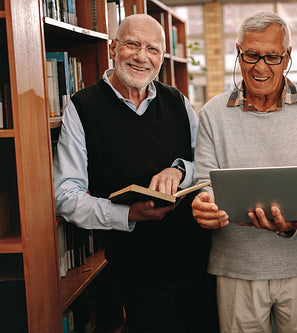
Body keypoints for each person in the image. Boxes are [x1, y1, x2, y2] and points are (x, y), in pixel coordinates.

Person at [54, 14, 218, 333]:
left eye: (152, 49)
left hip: (199, 256)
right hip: (138, 268)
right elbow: (66, 195)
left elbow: (207, 164)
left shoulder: (177, 100)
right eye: (132, 44)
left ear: (162, 57)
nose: (142, 57)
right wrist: (127, 214)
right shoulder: (82, 107)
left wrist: (179, 169)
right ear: (113, 47)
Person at [191, 10, 297, 333]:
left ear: (287, 58)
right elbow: (205, 182)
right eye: (252, 55)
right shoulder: (212, 113)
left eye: (272, 56)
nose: (260, 66)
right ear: (238, 54)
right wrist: (204, 204)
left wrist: (296, 222)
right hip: (236, 265)